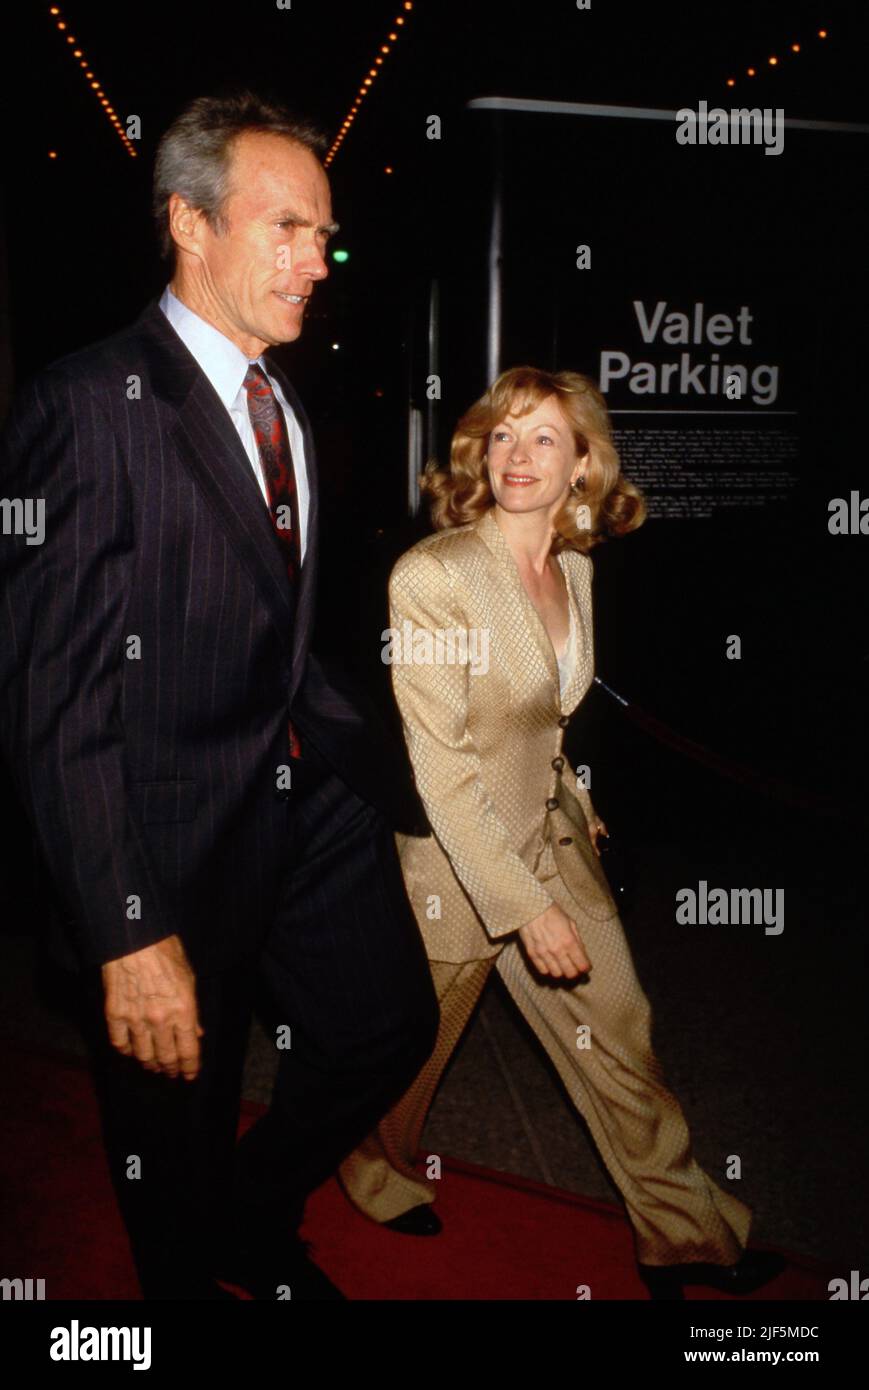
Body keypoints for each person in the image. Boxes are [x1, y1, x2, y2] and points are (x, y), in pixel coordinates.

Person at [0, 91, 439, 1301]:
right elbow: (54, 697)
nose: (317, 259)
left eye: (326, 235)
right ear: (189, 224)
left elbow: (280, 629)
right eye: (288, 228)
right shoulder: (88, 408)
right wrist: (127, 931)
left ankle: (255, 1211)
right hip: (165, 839)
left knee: (382, 1026)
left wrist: (399, 777)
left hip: (302, 803)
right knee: (170, 1144)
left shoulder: (283, 395)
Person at [339, 366, 786, 1300]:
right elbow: (443, 765)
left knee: (620, 1030)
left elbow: (545, 722)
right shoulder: (432, 576)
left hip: (553, 846)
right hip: (456, 873)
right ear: (478, 450)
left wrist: (576, 797)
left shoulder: (574, 570)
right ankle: (370, 1165)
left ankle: (684, 1236)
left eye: (544, 437)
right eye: (502, 434)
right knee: (409, 1051)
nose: (517, 455)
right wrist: (522, 906)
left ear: (584, 462)